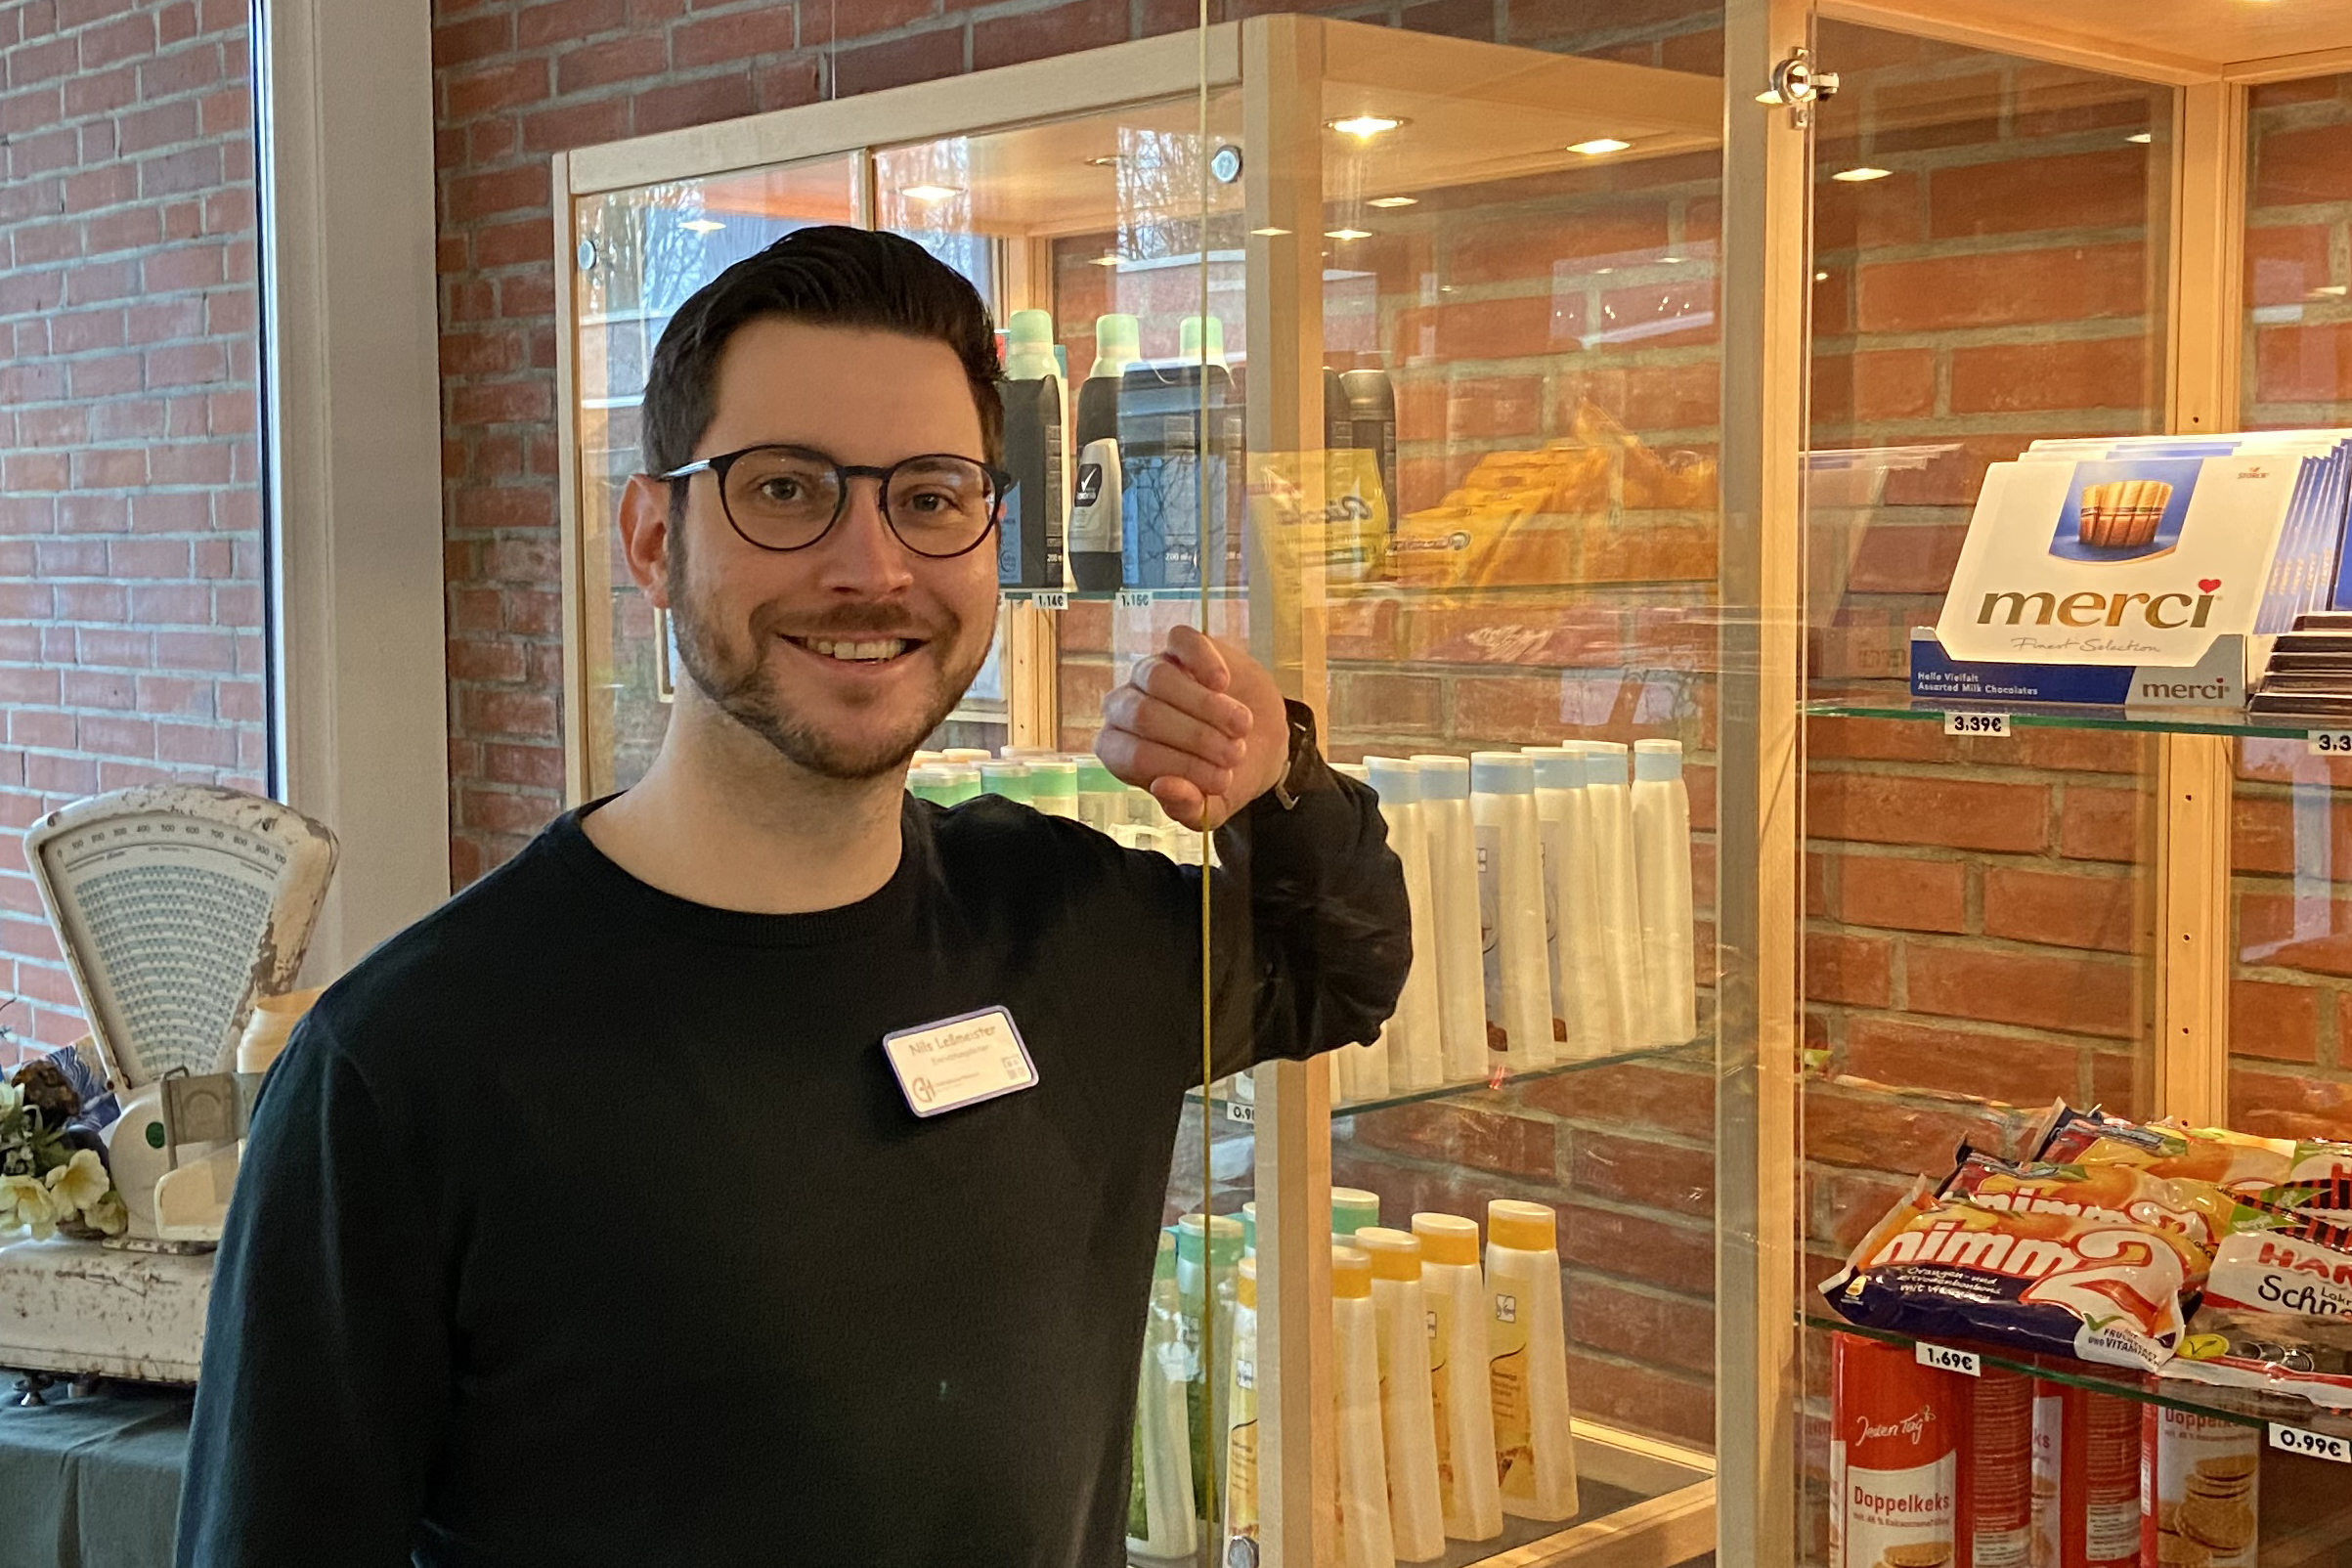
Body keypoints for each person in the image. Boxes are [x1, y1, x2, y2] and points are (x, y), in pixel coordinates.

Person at [177, 226, 1409, 1567]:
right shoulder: (408, 1069)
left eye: (929, 498)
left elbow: (1343, 968)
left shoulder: (1067, 926)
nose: (870, 568)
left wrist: (1275, 774)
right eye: (784, 490)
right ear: (653, 538)